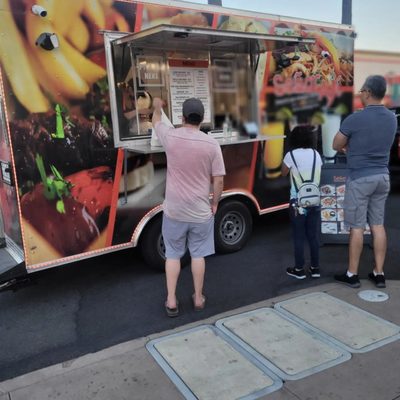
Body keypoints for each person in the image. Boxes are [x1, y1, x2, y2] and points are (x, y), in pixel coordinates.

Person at [152, 97, 225, 317]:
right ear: (202, 120)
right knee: (198, 255)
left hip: (174, 210)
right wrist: (214, 203)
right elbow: (219, 180)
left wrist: (157, 105)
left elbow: (156, 120)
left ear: (182, 117)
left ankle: (172, 301)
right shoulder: (211, 144)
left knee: (173, 255)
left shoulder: (171, 136)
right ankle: (199, 298)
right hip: (200, 211)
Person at [332, 75, 397, 289]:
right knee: (378, 225)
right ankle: (379, 273)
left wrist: (348, 146)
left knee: (357, 227)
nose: (360, 94)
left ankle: (352, 274)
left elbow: (335, 144)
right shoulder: (391, 118)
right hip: (382, 177)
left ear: (368, 92)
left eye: (361, 90)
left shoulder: (355, 119)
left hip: (360, 178)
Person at [281, 125, 323, 279]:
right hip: (315, 200)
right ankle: (315, 268)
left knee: (299, 236)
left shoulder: (290, 155)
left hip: (297, 202)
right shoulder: (316, 155)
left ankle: (299, 270)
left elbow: (283, 172)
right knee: (313, 236)